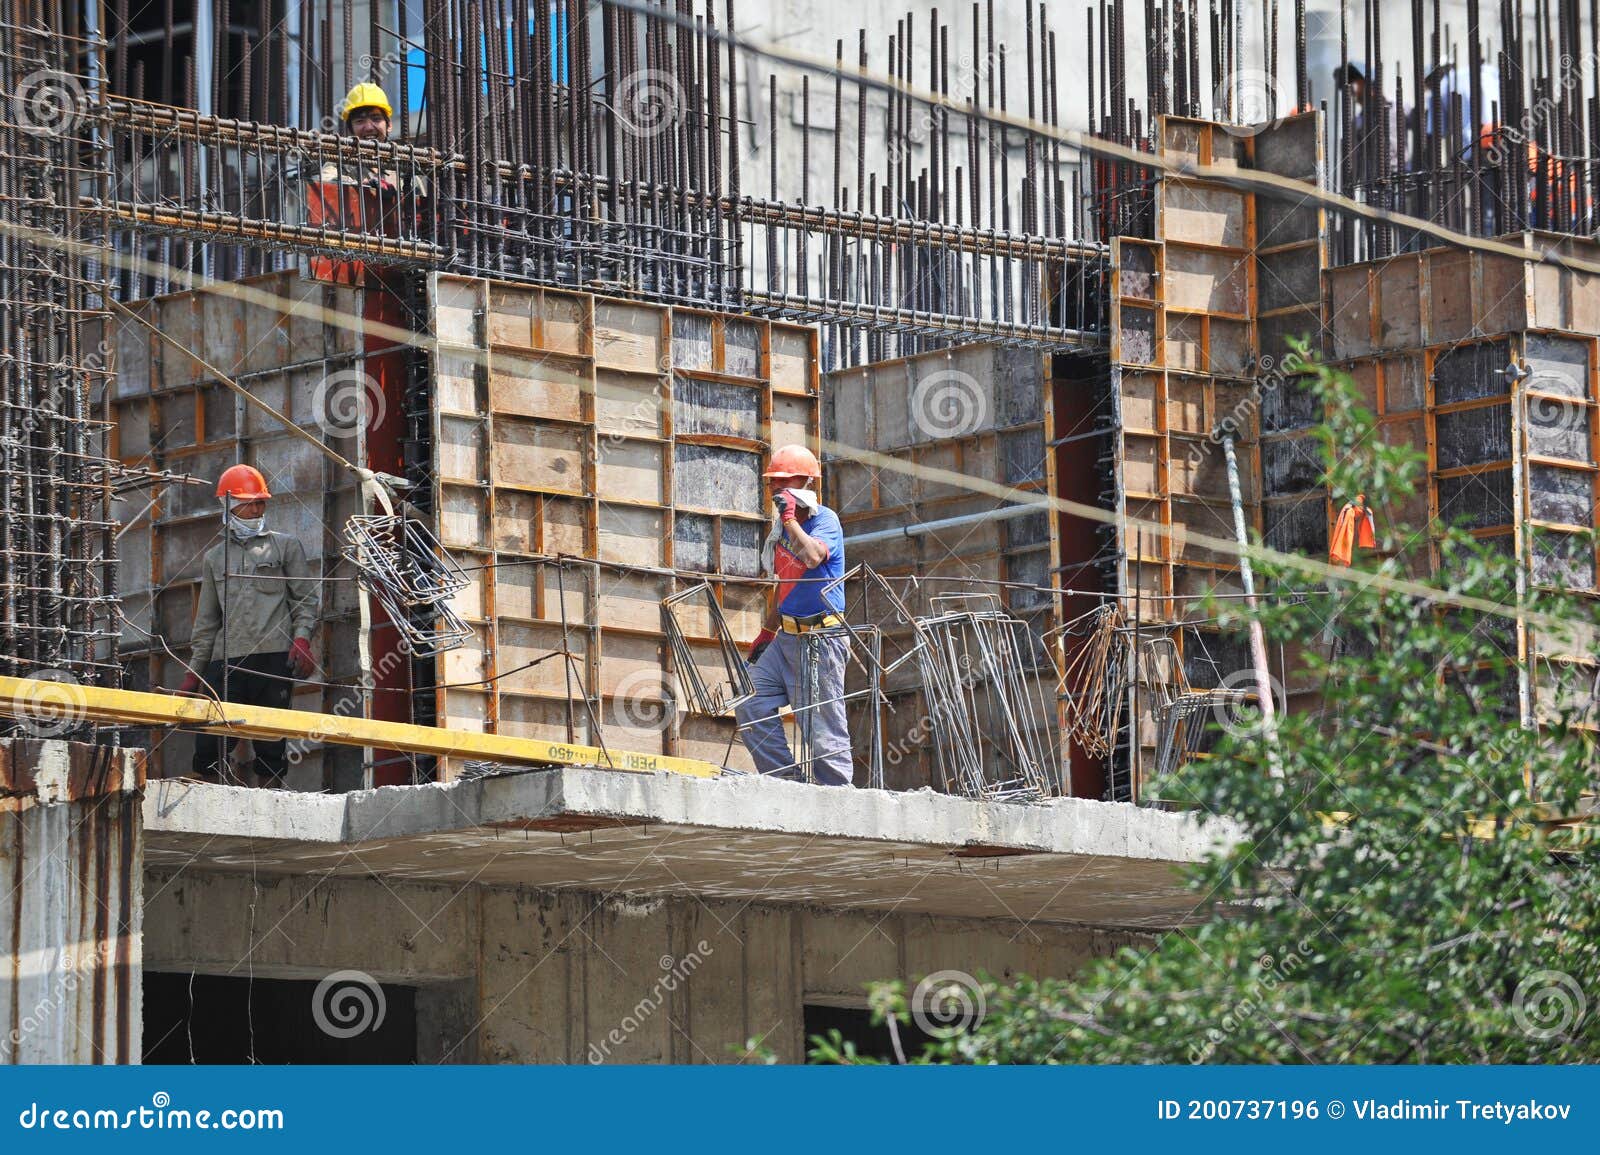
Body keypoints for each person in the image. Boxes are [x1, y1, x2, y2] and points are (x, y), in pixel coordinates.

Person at [178, 465, 318, 787]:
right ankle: (213, 798)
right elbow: (207, 621)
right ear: (229, 505)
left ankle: (269, 802)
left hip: (273, 658)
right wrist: (193, 672)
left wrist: (302, 639)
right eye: (249, 503)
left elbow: (305, 600)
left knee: (271, 739)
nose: (256, 510)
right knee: (211, 737)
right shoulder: (215, 558)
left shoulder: (285, 547)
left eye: (260, 503)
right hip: (226, 658)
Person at [735, 445, 853, 786]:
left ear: (807, 483)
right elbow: (783, 585)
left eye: (787, 482)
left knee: (821, 726)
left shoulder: (824, 520)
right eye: (775, 483)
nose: (778, 489)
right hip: (786, 637)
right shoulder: (782, 529)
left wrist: (790, 521)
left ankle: (837, 795)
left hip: (821, 638)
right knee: (750, 701)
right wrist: (767, 633)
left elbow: (814, 557)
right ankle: (787, 781)